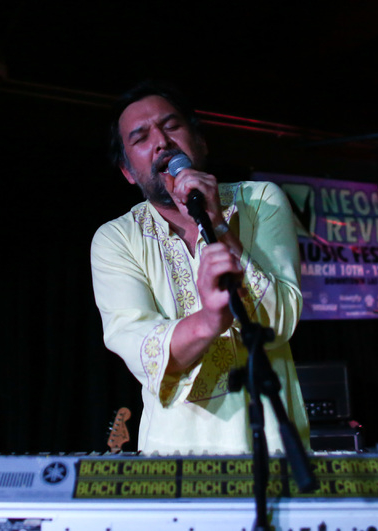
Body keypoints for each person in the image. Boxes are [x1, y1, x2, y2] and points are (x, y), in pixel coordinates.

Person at [90, 81, 310, 455]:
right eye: (141, 137)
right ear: (128, 172)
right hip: (172, 454)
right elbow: (139, 347)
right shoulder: (117, 238)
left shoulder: (262, 200)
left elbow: (280, 321)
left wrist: (218, 224)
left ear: (200, 142)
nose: (162, 142)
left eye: (171, 126)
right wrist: (210, 319)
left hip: (273, 445)